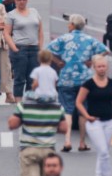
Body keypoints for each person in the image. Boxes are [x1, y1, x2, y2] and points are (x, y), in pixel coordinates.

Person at [46, 14, 107, 153]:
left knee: (67, 111)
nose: (68, 25)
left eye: (69, 23)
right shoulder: (89, 39)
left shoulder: (63, 39)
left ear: (73, 25)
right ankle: (81, 142)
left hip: (66, 78)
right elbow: (105, 50)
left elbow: (47, 50)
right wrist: (93, 60)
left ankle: (67, 141)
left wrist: (58, 62)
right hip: (84, 80)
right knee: (82, 111)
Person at [75, 55, 112, 176]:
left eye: (104, 66)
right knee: (104, 151)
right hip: (94, 122)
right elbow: (78, 102)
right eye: (99, 66)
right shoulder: (88, 84)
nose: (102, 69)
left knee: (104, 152)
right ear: (94, 67)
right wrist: (87, 116)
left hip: (110, 122)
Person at [9, 87, 68, 176]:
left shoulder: (24, 106)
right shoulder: (57, 107)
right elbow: (64, 129)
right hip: (49, 151)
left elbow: (12, 124)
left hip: (29, 150)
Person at [6, 0, 43, 99]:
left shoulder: (34, 12)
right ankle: (18, 103)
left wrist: (40, 47)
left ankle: (29, 101)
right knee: (19, 78)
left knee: (32, 78)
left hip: (34, 48)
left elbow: (40, 30)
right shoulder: (11, 14)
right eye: (19, 0)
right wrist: (14, 48)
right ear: (16, 1)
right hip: (20, 48)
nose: (22, 2)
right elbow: (7, 33)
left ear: (27, 0)